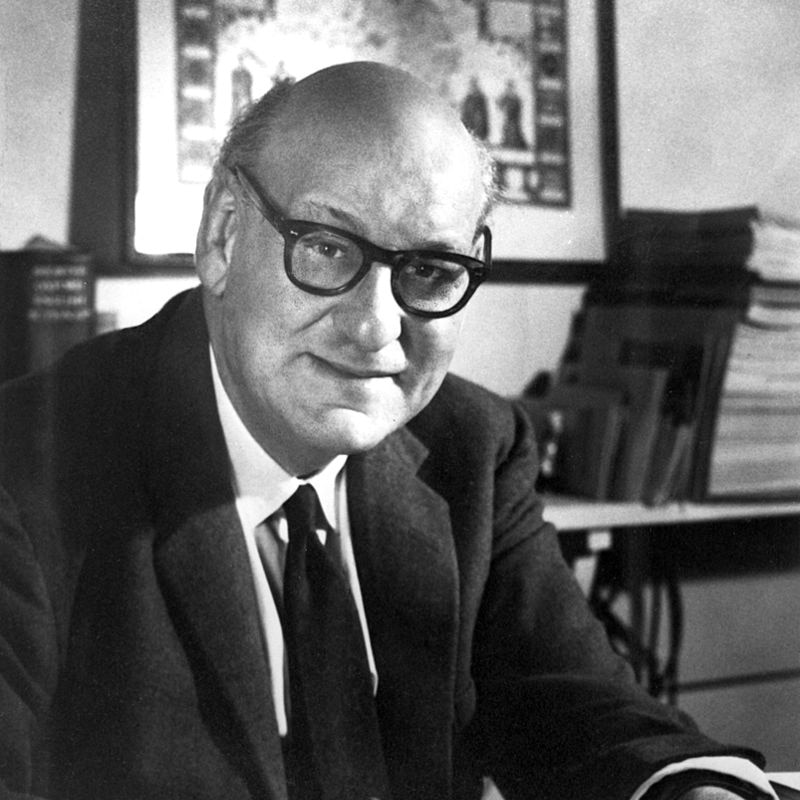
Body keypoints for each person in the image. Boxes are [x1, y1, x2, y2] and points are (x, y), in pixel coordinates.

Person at [0, 61, 776, 800]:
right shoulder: (26, 471)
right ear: (224, 236)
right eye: (328, 248)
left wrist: (693, 788)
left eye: (431, 271)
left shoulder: (471, 445)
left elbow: (576, 706)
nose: (376, 329)